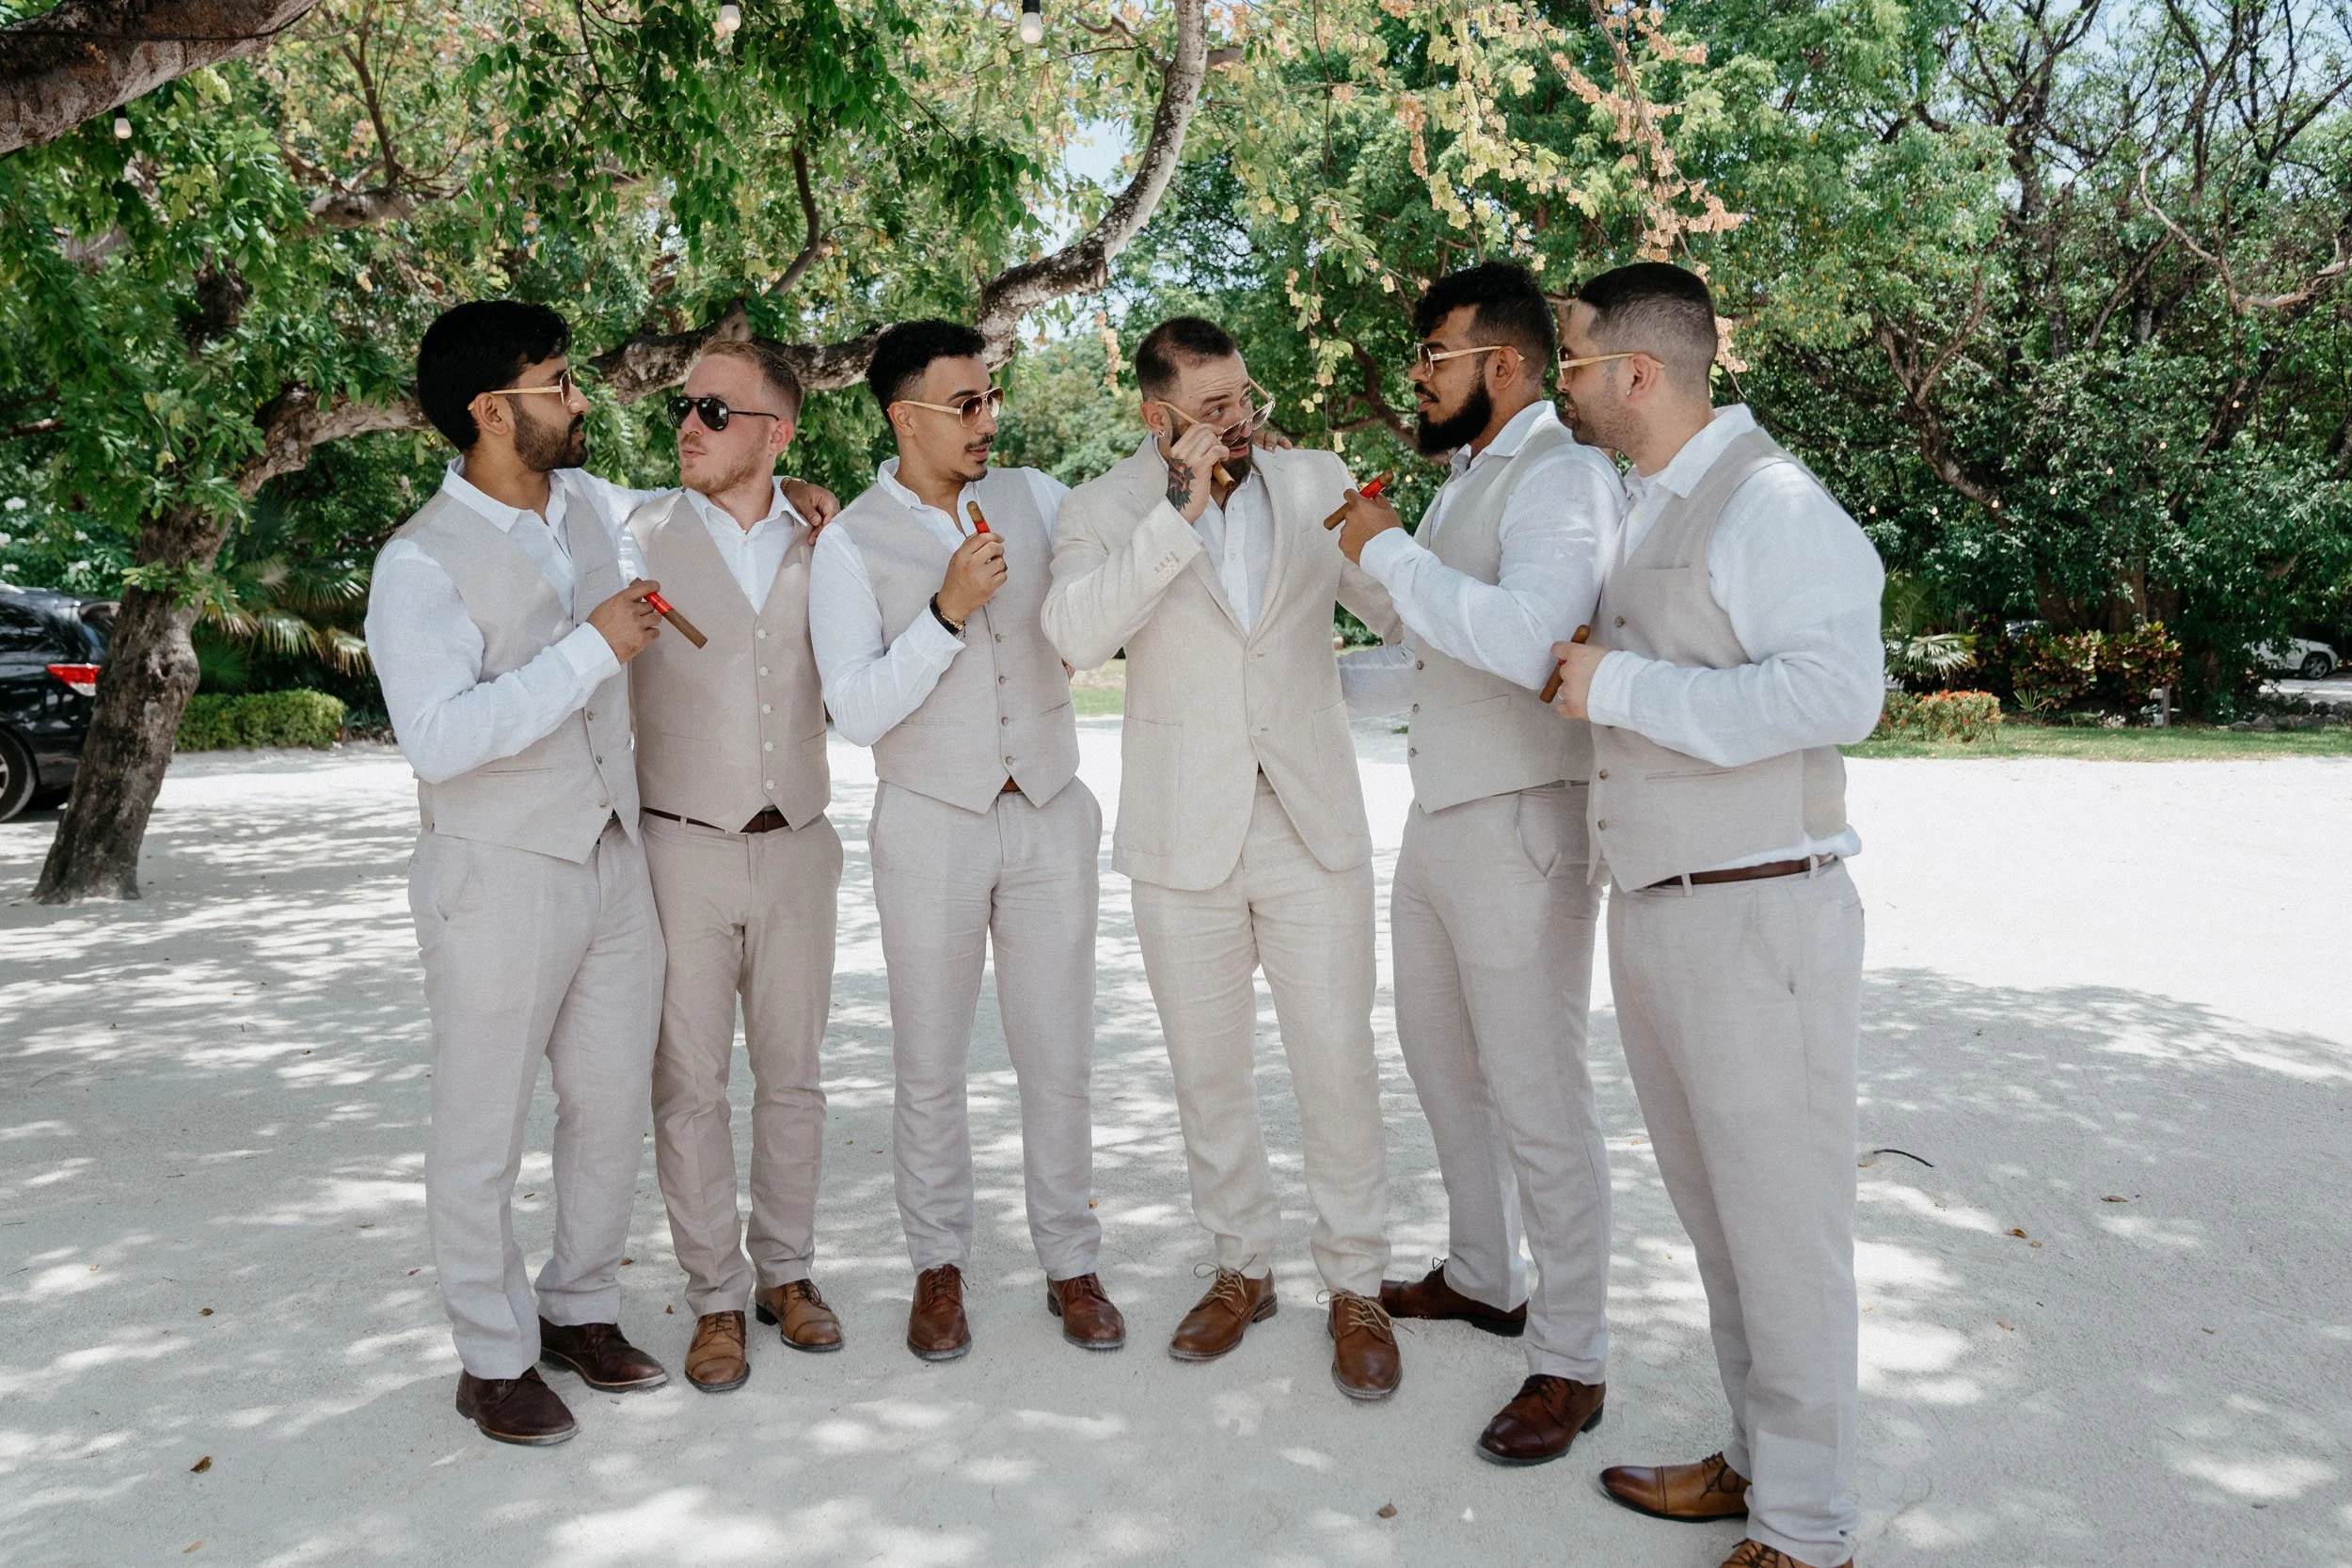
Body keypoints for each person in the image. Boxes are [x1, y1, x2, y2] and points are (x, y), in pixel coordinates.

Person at [1546, 261, 1885, 1568]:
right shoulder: (1649, 505)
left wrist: (1617, 687)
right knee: (1718, 1213)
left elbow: (1836, 692)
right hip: (1666, 911)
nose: (1566, 380)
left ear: (1637, 371)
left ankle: (1808, 1529)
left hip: (1760, 915)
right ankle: (1756, 1462)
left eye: (1573, 361)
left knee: (1783, 1229)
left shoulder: (1773, 501)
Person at [1041, 315, 1406, 1402]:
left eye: (1244, 398)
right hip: (1179, 834)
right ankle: (1242, 1264)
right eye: (1211, 410)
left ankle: (1357, 1283)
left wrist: (1382, 549)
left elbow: (1402, 614)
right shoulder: (1103, 508)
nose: (1239, 420)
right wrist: (1178, 516)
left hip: (1310, 821)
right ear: (1157, 419)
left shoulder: (1315, 479)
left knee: (1336, 1061)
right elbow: (1069, 634)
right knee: (1208, 1073)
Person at [1328, 261, 1624, 1460]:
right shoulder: (1470, 480)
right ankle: (1485, 1273)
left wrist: (1392, 551)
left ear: (1504, 363)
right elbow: (1423, 623)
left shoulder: (1560, 477)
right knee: (1443, 1065)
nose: (1420, 374)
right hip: (1442, 812)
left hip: (1521, 821)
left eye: (1436, 354)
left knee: (1538, 1095)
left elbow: (1519, 639)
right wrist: (1357, 549)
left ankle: (1573, 1356)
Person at [364, 300, 673, 1448]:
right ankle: (491, 1357)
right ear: (493, 412)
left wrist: (789, 498)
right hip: (495, 871)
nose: (579, 398)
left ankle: (580, 1303)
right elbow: (437, 738)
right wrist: (593, 646)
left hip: (611, 854)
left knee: (606, 1103)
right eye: (558, 381)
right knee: (481, 1122)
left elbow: (672, 517)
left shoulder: (592, 502)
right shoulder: (416, 563)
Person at [809, 319, 1123, 1362]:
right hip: (930, 821)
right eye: (966, 404)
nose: (990, 419)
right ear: (906, 417)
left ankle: (1070, 1260)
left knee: (1058, 1051)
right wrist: (943, 614)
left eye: (992, 398)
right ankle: (937, 1264)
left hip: (1046, 806)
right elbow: (852, 708)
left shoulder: (1036, 497)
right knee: (930, 1060)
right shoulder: (849, 541)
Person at [627, 338, 845, 1393]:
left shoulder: (827, 539)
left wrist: (823, 507)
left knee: (794, 1075)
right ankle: (715, 1292)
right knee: (690, 1084)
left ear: (776, 431)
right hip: (679, 844)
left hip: (800, 841)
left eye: (715, 409)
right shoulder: (634, 532)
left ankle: (787, 1273)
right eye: (684, 405)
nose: (687, 423)